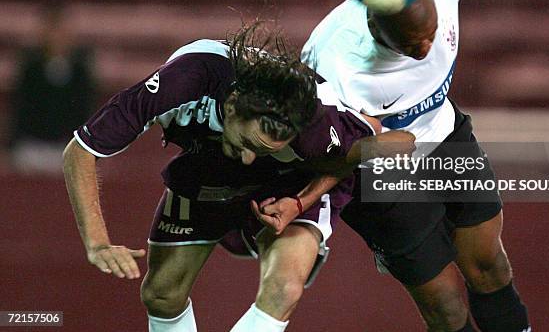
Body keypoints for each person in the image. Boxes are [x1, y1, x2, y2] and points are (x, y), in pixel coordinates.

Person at [254, 0, 549, 331]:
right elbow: (325, 152)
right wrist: (302, 202)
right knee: (446, 309)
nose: (424, 46)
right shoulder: (334, 61)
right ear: (374, 24)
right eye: (408, 42)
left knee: (489, 265)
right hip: (376, 175)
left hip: (444, 137)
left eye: (430, 32)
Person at [63, 23, 413, 332]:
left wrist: (300, 202)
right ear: (230, 106)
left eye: (264, 147)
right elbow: (80, 149)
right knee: (161, 294)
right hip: (208, 165)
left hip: (288, 179)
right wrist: (97, 243)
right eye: (248, 142)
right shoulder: (182, 82)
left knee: (284, 287)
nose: (249, 156)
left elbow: (384, 142)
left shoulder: (314, 123)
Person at [10, 4, 96, 173]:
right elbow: (20, 108)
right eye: (53, 31)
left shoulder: (81, 71)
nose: (57, 37)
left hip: (68, 146)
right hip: (32, 148)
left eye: (61, 31)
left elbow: (85, 110)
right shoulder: (30, 68)